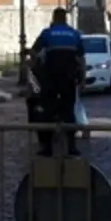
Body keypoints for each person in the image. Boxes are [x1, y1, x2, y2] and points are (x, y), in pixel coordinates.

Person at [28, 8, 85, 157]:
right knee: (69, 112)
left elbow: (34, 53)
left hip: (50, 78)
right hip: (69, 78)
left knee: (47, 111)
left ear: (53, 19)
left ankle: (46, 148)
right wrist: (83, 80)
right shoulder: (74, 34)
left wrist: (33, 67)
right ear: (65, 19)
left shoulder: (47, 33)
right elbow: (81, 59)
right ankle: (72, 146)